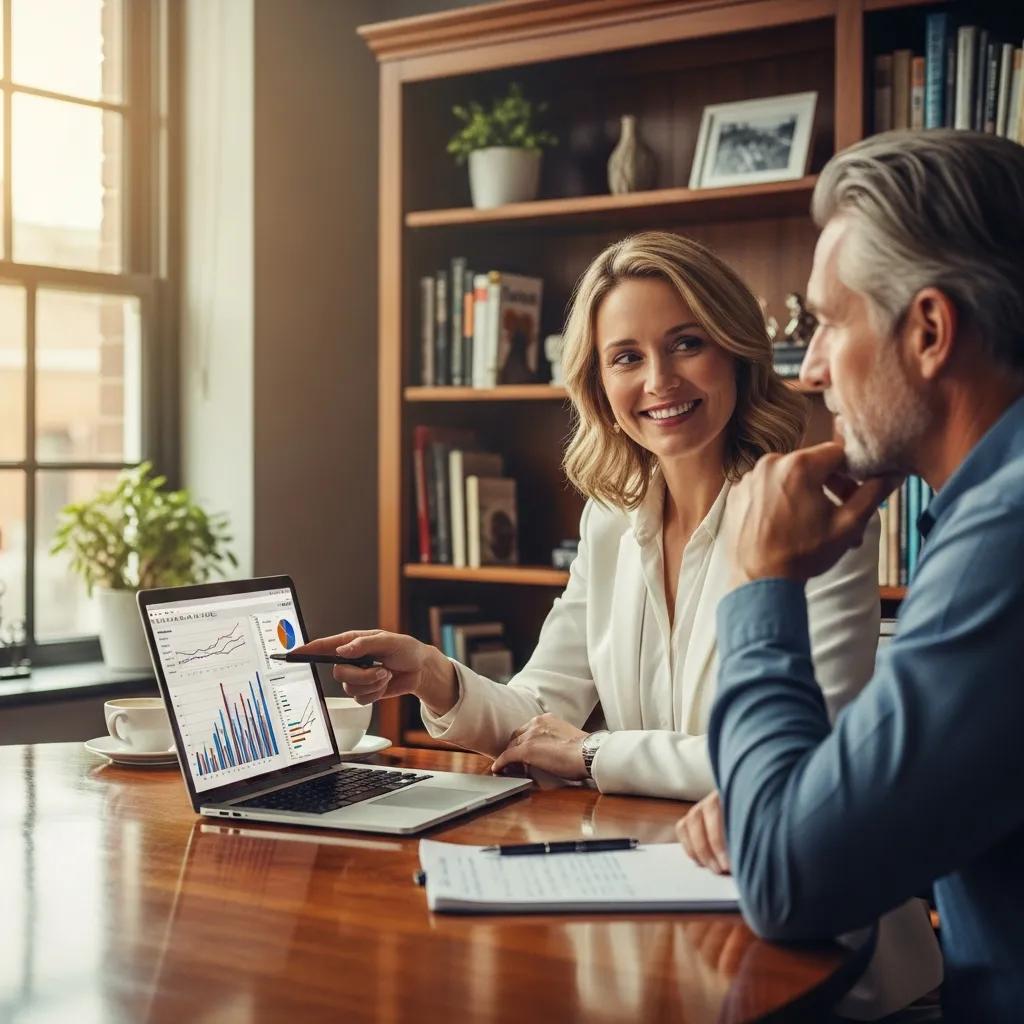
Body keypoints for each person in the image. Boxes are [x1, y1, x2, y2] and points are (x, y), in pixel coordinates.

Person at [300, 231, 940, 1018]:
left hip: (825, 958)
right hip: (665, 913)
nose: (659, 380)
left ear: (736, 352)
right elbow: (544, 712)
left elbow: (804, 771)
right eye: (626, 357)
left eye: (686, 344)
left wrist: (596, 753)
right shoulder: (613, 519)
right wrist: (434, 673)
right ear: (599, 383)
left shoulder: (812, 514)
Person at [695, 130, 1024, 1022]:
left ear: (928, 331)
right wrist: (799, 802)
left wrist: (761, 580)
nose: (808, 369)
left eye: (832, 322)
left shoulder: (1006, 535)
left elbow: (786, 880)